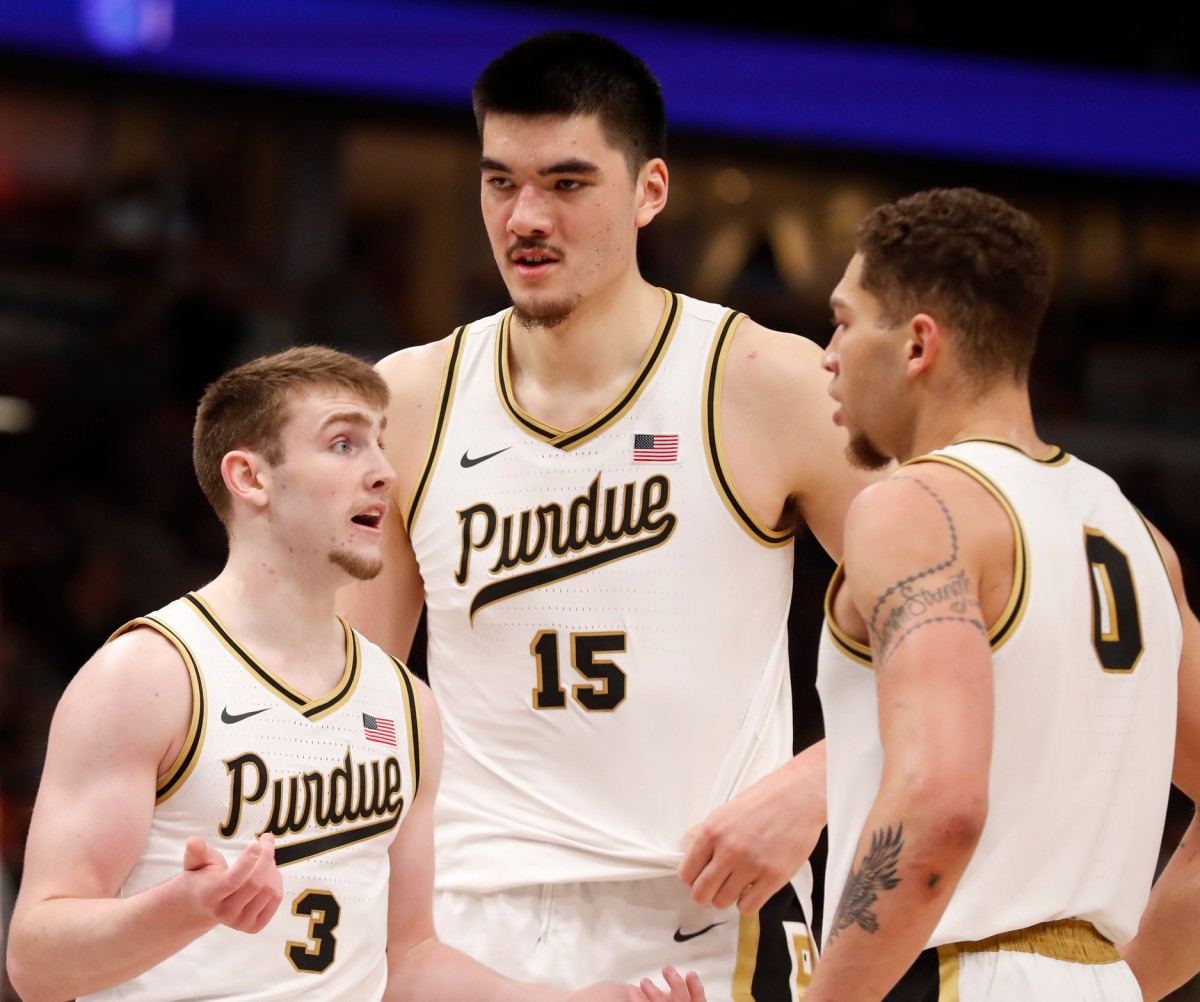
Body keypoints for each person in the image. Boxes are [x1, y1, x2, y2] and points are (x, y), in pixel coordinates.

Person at [338, 29, 876, 1000]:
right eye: (500, 182)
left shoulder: (765, 382)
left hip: (701, 917)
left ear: (650, 191)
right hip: (464, 921)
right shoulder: (410, 398)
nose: (526, 216)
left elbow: (977, 635)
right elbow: (347, 700)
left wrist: (829, 778)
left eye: (569, 183)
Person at [5, 345, 705, 1002]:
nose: (384, 472)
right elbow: (35, 963)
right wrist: (182, 910)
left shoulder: (405, 703)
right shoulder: (150, 675)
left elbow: (408, 959)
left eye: (379, 442)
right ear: (250, 477)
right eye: (344, 443)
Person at [810, 186, 1200, 1001]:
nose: (828, 353)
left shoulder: (915, 508)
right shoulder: (1138, 536)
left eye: (845, 320)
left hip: (950, 972)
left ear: (918, 345)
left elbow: (940, 805)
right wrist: (1128, 984)